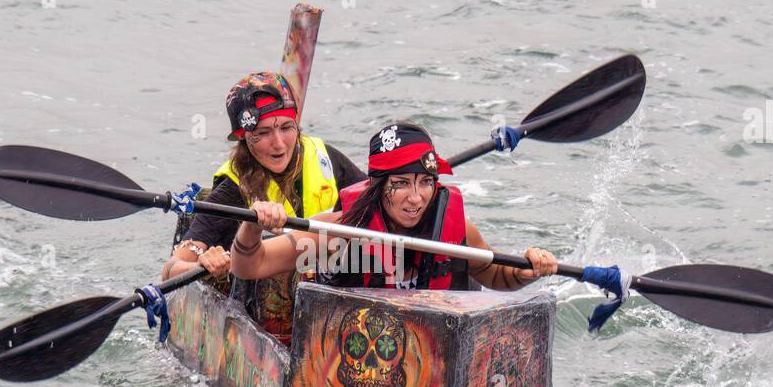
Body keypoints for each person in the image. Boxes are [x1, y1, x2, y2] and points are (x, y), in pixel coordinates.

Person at [229, 122, 559, 291]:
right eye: (400, 184)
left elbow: (497, 277)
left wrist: (527, 270)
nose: (415, 198)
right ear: (376, 186)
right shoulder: (339, 232)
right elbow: (249, 266)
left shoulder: (455, 230)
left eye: (425, 182)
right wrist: (252, 227)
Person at [162, 71, 365, 341]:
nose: (279, 144)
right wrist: (203, 263)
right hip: (263, 314)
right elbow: (171, 269)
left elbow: (374, 206)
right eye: (263, 133)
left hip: (326, 301)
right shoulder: (232, 191)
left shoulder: (326, 158)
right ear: (244, 138)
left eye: (286, 128)